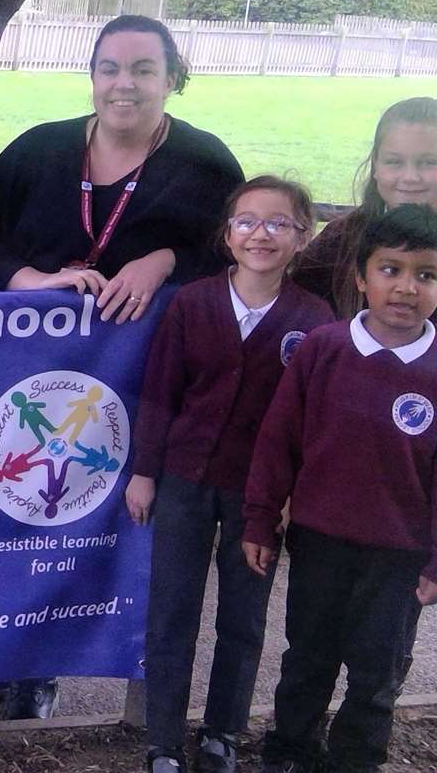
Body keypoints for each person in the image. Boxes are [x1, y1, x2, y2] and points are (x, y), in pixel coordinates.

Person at [0, 13, 242, 720]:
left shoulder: (204, 163)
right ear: (93, 75)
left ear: (172, 79)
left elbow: (238, 253)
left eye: (143, 69)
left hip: (134, 388)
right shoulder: (42, 148)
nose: (124, 84)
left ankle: (43, 667)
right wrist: (28, 279)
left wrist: (165, 259)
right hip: (24, 384)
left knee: (84, 526)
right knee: (7, 517)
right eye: (110, 67)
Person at [244, 205, 437, 773]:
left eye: (425, 275)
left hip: (400, 556)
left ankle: (355, 760)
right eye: (390, 269)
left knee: (378, 672)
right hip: (320, 542)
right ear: (361, 276)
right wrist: (260, 519)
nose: (405, 287)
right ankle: (288, 754)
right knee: (308, 658)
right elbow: (278, 442)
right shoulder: (323, 351)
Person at [125, 177, 335, 773]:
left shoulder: (314, 320)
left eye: (278, 223)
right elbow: (160, 393)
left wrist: (290, 493)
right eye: (246, 221)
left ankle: (223, 732)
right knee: (171, 611)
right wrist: (144, 473)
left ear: (302, 236)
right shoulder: (193, 302)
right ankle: (163, 739)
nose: (260, 234)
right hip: (183, 479)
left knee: (243, 617)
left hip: (259, 495)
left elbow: (313, 421)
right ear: (227, 234)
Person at [292, 97, 437, 455]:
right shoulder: (337, 245)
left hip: (425, 472)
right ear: (375, 167)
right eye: (394, 161)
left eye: (429, 162)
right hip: (328, 456)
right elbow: (294, 344)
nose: (410, 177)